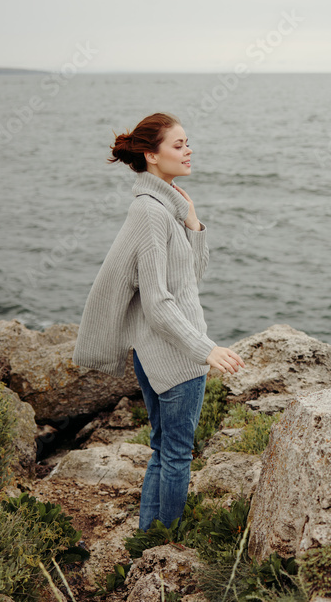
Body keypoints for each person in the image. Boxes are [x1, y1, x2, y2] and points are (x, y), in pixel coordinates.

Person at [72, 111, 245, 531]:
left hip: (158, 351)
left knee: (163, 450)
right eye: (178, 145)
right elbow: (158, 302)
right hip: (175, 356)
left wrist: (193, 223)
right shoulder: (150, 213)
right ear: (152, 155)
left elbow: (189, 278)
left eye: (188, 143)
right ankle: (166, 542)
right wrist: (207, 349)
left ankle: (148, 537)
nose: (189, 151)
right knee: (177, 455)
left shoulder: (163, 209)